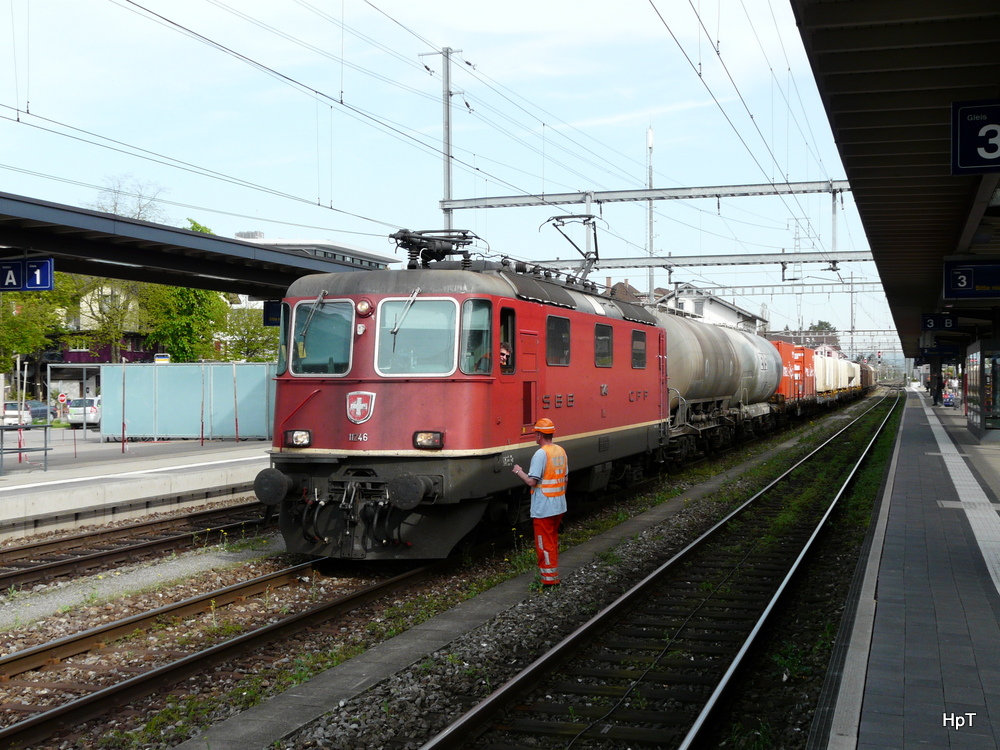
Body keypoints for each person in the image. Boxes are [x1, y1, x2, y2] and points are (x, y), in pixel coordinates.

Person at [512, 418, 567, 588]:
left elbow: (531, 482)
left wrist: (518, 471)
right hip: (559, 505)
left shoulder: (541, 454)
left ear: (539, 435)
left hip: (544, 508)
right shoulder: (560, 451)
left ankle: (550, 580)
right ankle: (553, 576)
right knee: (552, 541)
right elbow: (565, 479)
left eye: (535, 433)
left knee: (544, 544)